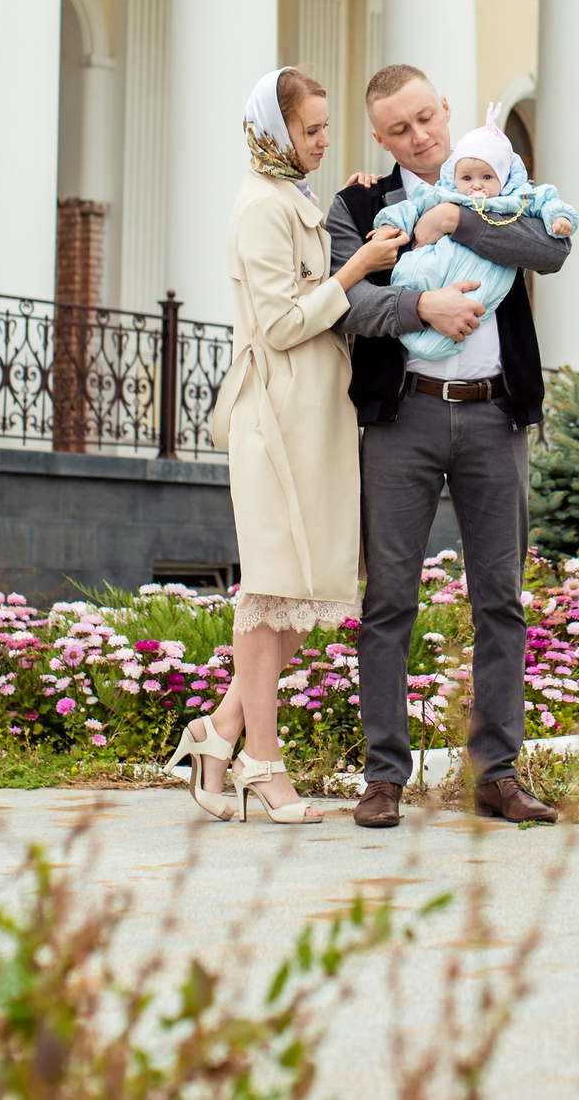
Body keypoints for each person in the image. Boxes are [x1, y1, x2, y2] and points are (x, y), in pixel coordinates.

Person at [330, 65, 571, 828]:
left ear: (445, 108)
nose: (420, 137)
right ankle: (383, 778)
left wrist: (458, 219)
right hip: (403, 420)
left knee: (498, 598)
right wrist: (420, 302)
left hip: (495, 415)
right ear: (379, 136)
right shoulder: (361, 201)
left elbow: (549, 249)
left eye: (428, 118)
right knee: (388, 599)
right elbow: (348, 302)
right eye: (400, 130)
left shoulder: (501, 175)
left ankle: (496, 772)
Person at [167, 66, 403, 824]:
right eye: (312, 130)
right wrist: (358, 268)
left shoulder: (292, 198)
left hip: (316, 416)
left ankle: (219, 731)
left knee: (311, 588)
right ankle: (261, 763)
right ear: (275, 131)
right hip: (274, 415)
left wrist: (355, 211)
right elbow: (277, 324)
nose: (324, 142)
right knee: (272, 588)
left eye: (328, 129)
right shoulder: (259, 208)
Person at [371, 108, 575, 364]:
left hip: (486, 278)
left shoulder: (513, 200)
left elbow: (546, 202)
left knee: (476, 303)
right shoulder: (443, 194)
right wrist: (387, 225)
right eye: (466, 177)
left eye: (487, 177)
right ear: (454, 176)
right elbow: (407, 208)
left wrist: (560, 218)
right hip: (437, 266)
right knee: (415, 273)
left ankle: (440, 341)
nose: (476, 185)